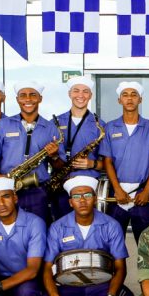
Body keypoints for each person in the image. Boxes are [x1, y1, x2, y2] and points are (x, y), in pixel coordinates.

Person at [39, 176, 133, 296]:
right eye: (76, 196)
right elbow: (47, 267)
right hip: (68, 286)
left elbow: (120, 267)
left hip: (102, 286)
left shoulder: (111, 225)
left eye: (87, 195)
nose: (82, 200)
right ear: (70, 202)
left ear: (95, 199)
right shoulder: (57, 227)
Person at [0, 80, 62, 224]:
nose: (28, 99)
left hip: (38, 191)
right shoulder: (2, 125)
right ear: (17, 99)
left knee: (38, 227)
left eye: (33, 95)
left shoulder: (51, 128)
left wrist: (55, 156)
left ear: (40, 99)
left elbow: (59, 167)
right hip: (8, 188)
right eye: (23, 95)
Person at [100, 81, 149, 242]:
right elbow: (107, 161)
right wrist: (117, 189)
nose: (129, 98)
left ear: (140, 100)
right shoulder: (110, 128)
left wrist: (147, 190)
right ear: (119, 100)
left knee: (147, 247)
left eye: (134, 95)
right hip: (116, 195)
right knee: (113, 246)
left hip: (143, 194)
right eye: (125, 95)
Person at [52, 75, 106, 217]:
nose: (80, 95)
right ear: (69, 94)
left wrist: (92, 164)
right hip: (61, 185)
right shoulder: (55, 122)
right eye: (76, 91)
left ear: (91, 96)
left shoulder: (100, 125)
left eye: (85, 91)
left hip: (89, 187)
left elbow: (108, 164)